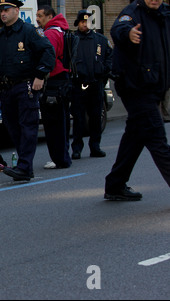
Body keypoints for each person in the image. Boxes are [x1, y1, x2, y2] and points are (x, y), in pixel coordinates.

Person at [104, 0, 170, 201]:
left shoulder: (166, 14)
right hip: (136, 87)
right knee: (157, 138)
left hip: (156, 86)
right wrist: (128, 34)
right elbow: (119, 29)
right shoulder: (132, 12)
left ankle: (115, 185)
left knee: (135, 136)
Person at [0, 0, 55, 181]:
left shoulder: (28, 31)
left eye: (6, 9)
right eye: (1, 10)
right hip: (6, 88)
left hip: (25, 86)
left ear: (17, 11)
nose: (3, 13)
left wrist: (40, 76)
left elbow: (48, 52)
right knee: (12, 127)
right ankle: (24, 166)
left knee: (28, 126)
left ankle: (25, 166)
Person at [70, 10, 113, 160]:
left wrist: (105, 71)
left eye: (87, 22)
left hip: (96, 84)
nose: (85, 24)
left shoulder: (100, 39)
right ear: (78, 23)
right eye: (82, 22)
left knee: (96, 118)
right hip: (78, 85)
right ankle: (76, 148)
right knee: (78, 119)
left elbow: (110, 57)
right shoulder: (72, 39)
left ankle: (95, 147)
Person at [36, 5, 72, 170]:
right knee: (62, 120)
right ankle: (63, 156)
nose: (37, 19)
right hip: (63, 80)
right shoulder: (62, 29)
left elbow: (48, 56)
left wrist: (41, 75)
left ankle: (59, 159)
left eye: (40, 16)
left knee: (53, 123)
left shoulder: (50, 33)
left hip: (53, 80)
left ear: (49, 16)